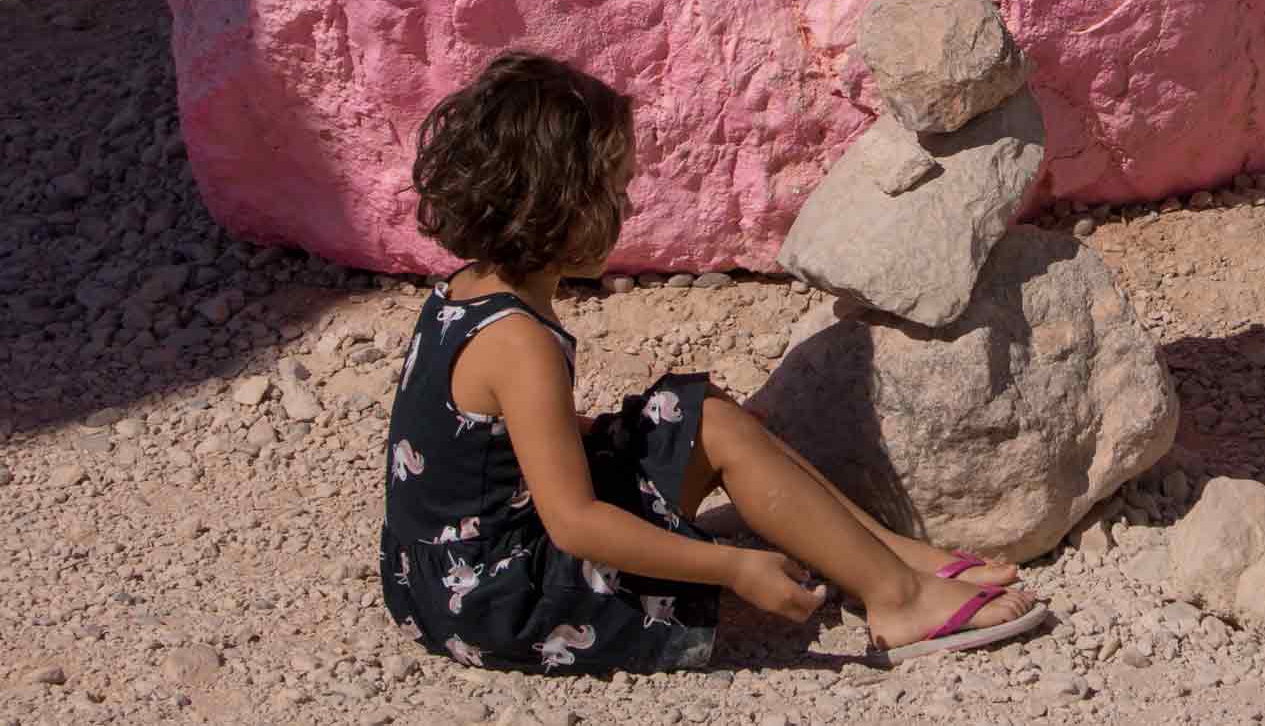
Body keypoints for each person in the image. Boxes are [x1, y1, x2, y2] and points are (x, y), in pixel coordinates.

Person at [380, 52, 1046, 674]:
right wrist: (731, 567)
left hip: (440, 577)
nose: (628, 207)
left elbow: (483, 445)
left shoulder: (466, 294)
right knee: (710, 430)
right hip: (506, 599)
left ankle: (896, 562)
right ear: (553, 205)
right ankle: (897, 597)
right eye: (613, 192)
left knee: (700, 413)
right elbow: (574, 521)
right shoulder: (520, 341)